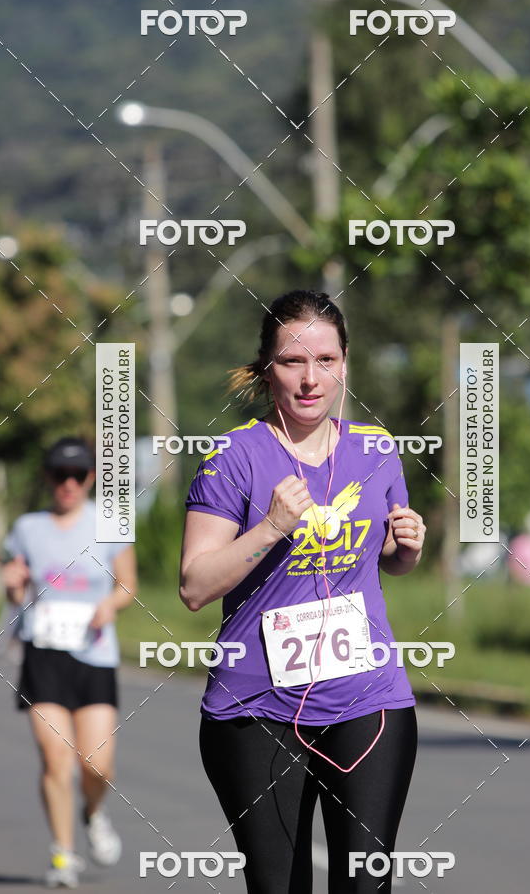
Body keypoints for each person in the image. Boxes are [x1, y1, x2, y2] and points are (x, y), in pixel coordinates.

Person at [180, 290, 426, 893]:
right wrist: (269, 527)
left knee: (364, 884)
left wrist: (406, 550)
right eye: (294, 362)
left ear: (344, 363)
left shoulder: (377, 449)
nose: (311, 379)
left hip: (368, 698)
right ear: (267, 369)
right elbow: (194, 585)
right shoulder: (233, 457)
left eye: (326, 360)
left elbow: (387, 561)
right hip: (257, 707)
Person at [1, 437, 137, 889]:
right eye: (59, 475)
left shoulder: (109, 524)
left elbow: (127, 585)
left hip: (94, 654)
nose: (68, 484)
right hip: (43, 654)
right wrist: (12, 584)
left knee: (97, 765)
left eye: (77, 475)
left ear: (91, 479)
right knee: (56, 759)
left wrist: (109, 607)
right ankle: (64, 855)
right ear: (48, 478)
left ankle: (93, 811)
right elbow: (16, 590)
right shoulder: (26, 528)